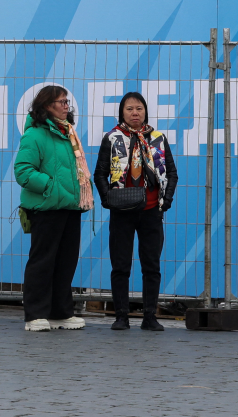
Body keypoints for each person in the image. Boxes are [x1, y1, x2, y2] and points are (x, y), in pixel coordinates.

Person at [92, 91, 176, 331]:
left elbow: (172, 173)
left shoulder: (158, 138)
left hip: (151, 211)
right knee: (120, 266)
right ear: (122, 112)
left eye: (139, 108)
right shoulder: (112, 138)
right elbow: (99, 173)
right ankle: (121, 316)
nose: (135, 113)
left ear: (145, 111)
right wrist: (107, 198)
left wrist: (165, 201)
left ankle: (150, 316)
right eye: (129, 109)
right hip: (122, 211)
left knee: (152, 265)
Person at [13, 84, 93, 332]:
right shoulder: (34, 135)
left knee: (66, 262)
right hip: (46, 208)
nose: (66, 105)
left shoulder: (69, 133)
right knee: (42, 262)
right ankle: (35, 315)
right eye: (60, 101)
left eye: (66, 101)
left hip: (70, 207)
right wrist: (50, 187)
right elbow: (23, 171)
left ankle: (60, 313)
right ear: (46, 106)